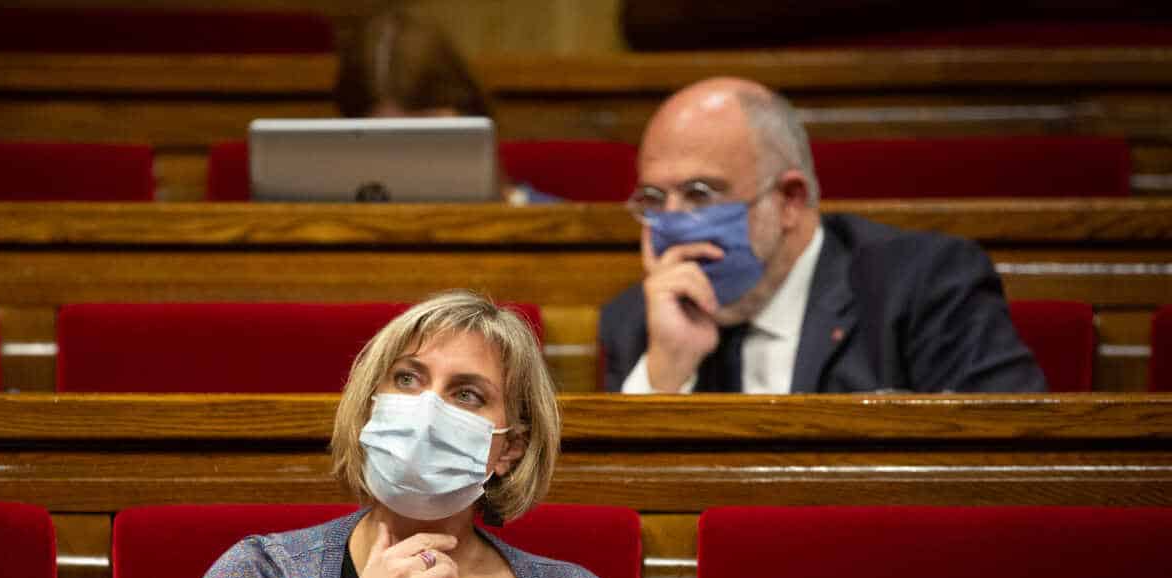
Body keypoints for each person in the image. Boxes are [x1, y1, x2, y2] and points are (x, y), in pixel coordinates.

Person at [179, 291, 620, 578]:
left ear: (510, 449)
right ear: (372, 403)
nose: (426, 410)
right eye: (407, 379)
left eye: (466, 395)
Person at [599, 76, 1048, 393]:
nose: (673, 223)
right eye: (654, 199)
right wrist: (666, 375)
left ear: (791, 199)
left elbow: (1010, 460)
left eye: (700, 194)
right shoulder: (639, 321)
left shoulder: (921, 286)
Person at [334, 10, 560, 205]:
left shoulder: (565, 227)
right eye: (386, 146)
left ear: (469, 113)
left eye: (425, 137)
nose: (413, 167)